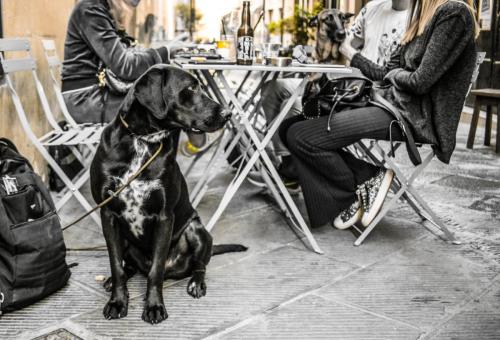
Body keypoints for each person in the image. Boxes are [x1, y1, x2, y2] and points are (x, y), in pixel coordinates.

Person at [280, 0, 478, 230]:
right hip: (386, 102)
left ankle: (366, 180)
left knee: (301, 136)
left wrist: (394, 73)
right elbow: (384, 73)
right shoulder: (419, 21)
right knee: (289, 128)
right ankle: (357, 188)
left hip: (413, 117)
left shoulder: (454, 13)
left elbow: (420, 82)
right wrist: (351, 53)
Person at [259, 0, 410, 189]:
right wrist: (309, 55)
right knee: (273, 88)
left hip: (369, 92)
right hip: (344, 82)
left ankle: (294, 169)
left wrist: (346, 60)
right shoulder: (372, 8)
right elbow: (342, 44)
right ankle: (289, 162)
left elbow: (389, 73)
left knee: (298, 105)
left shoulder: (415, 19)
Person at [61, 0, 170, 124]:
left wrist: (163, 53)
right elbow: (124, 66)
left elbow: (128, 55)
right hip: (85, 99)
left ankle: (189, 136)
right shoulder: (91, 10)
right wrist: (165, 52)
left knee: (168, 99)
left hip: (97, 93)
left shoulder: (103, 9)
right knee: (167, 106)